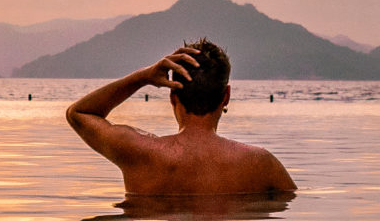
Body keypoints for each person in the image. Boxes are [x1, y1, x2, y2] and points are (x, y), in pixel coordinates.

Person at [64, 39, 296, 199]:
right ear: (226, 97)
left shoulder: (138, 151)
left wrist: (143, 76)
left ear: (173, 96)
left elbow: (79, 113)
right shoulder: (260, 164)